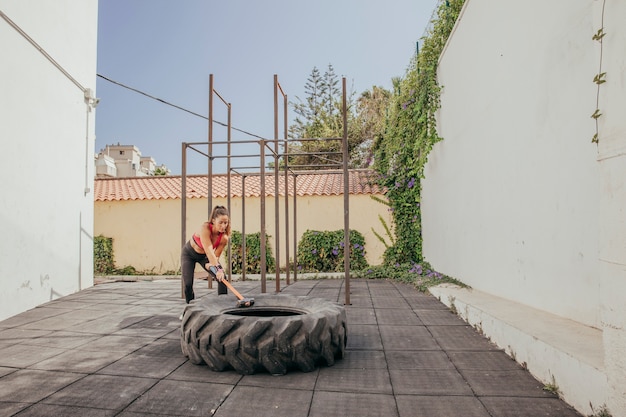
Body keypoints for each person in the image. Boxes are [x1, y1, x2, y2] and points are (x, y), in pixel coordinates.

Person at [181, 205, 230, 304]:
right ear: (213, 221)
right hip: (189, 254)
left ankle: (222, 306)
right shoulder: (205, 228)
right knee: (188, 284)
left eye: (226, 223)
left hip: (205, 257)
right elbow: (209, 250)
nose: (223, 226)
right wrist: (217, 268)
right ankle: (189, 309)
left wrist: (215, 268)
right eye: (220, 222)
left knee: (222, 279)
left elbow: (215, 256)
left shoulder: (224, 238)